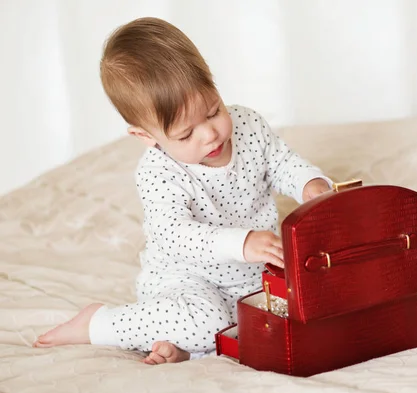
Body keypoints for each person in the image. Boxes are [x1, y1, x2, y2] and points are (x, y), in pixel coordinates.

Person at [33, 17, 331, 365]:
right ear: (147, 136)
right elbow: (177, 234)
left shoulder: (249, 125)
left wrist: (311, 184)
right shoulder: (157, 173)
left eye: (213, 111)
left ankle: (182, 350)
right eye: (186, 134)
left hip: (255, 275)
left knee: (306, 301)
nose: (210, 135)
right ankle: (98, 323)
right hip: (186, 281)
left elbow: (281, 163)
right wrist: (242, 242)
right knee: (209, 321)